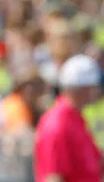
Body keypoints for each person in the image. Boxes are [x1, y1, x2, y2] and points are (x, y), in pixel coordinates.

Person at [34, 54, 102, 182]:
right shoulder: (59, 123)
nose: (97, 91)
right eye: (93, 87)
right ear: (81, 89)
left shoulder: (75, 117)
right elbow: (53, 177)